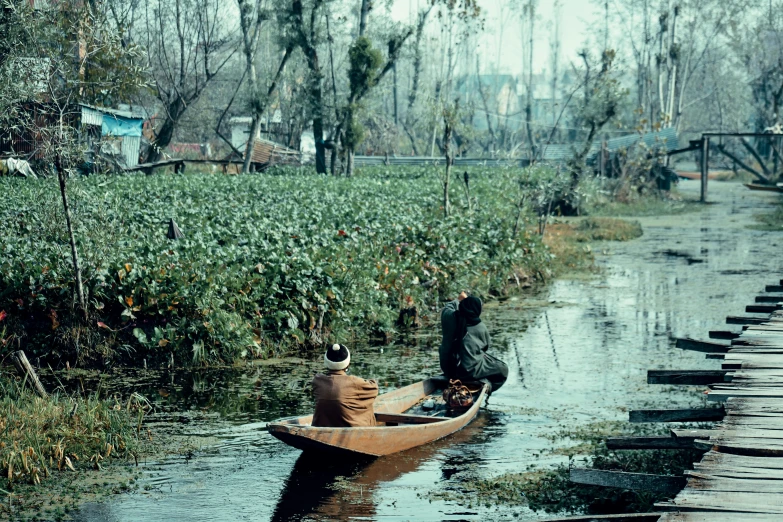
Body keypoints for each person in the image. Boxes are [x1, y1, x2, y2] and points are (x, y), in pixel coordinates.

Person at [440, 292, 508, 393]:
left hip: (448, 368)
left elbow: (447, 307)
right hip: (469, 372)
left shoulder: (449, 317)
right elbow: (486, 347)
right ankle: (485, 385)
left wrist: (458, 300)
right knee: (503, 369)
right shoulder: (480, 327)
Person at [311, 343, 379, 427]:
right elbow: (374, 389)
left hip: (321, 427)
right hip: (350, 429)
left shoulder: (317, 380)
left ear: (326, 362)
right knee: (367, 405)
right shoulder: (354, 382)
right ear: (348, 363)